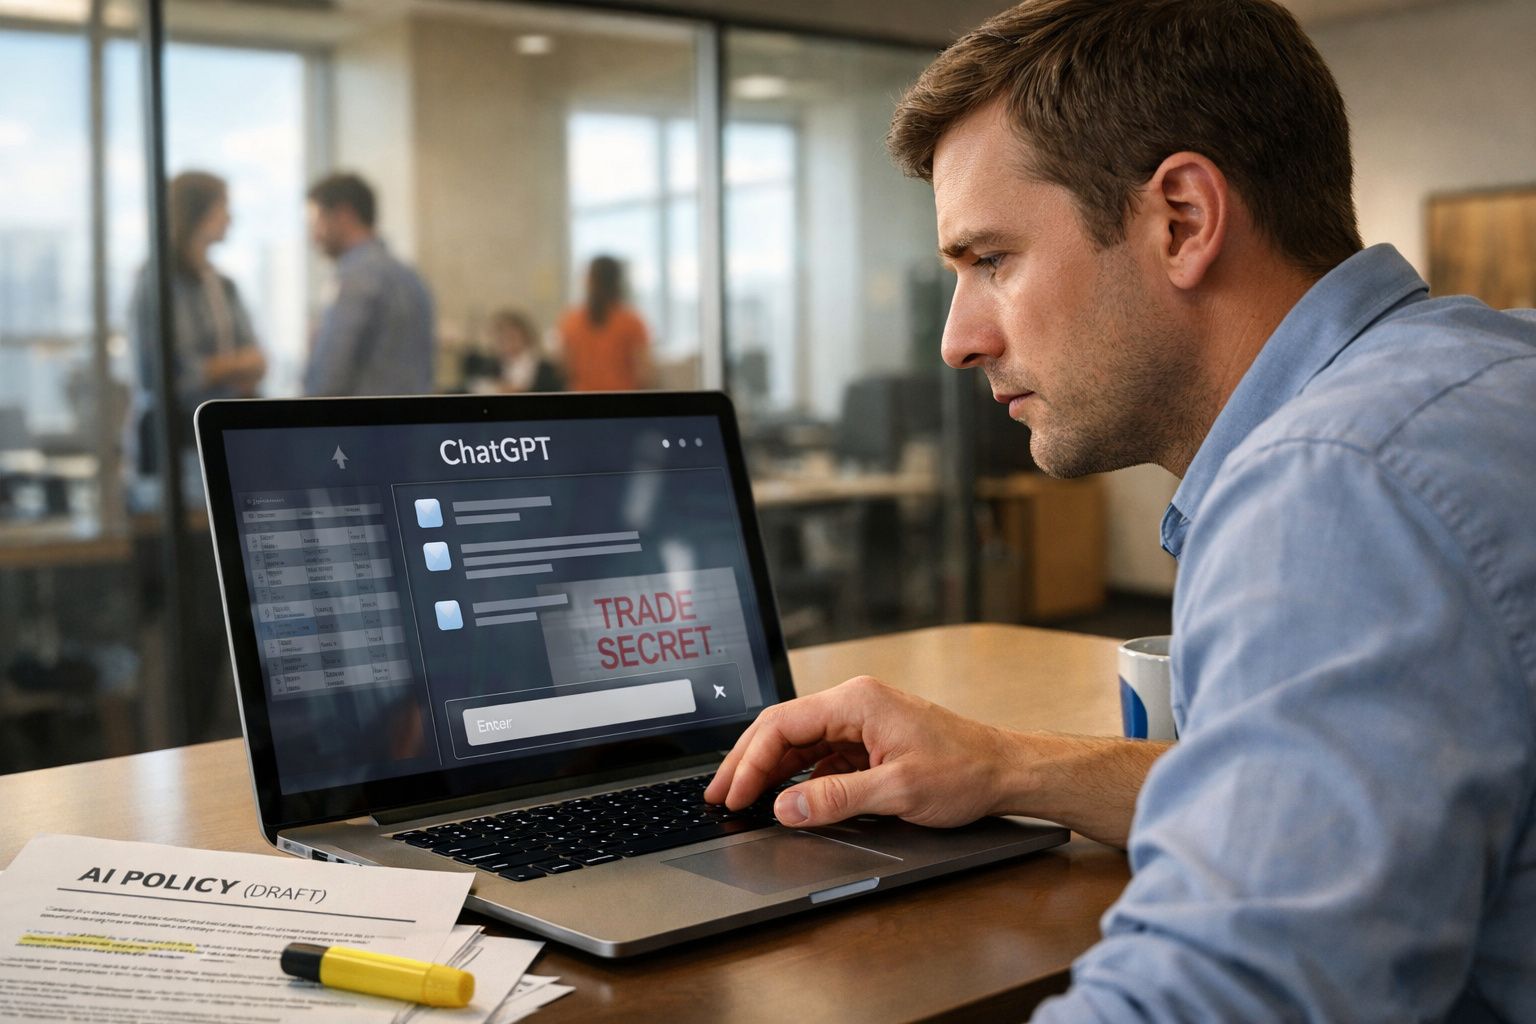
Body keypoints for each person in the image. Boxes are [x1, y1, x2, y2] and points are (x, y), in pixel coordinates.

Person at [705, 1, 1536, 1020]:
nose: (957, 339)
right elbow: (1331, 802)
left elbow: (1221, 999)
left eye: (991, 260)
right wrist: (1013, 764)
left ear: (1181, 219)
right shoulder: (1483, 373)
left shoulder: (1335, 485)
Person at [129, 170, 266, 473]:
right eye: (223, 207)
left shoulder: (224, 284)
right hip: (176, 441)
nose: (230, 219)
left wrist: (216, 369)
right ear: (198, 211)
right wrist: (231, 367)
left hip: (227, 435)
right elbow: (169, 375)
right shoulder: (157, 283)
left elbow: (257, 360)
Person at [303, 172, 435, 396]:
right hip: (412, 426)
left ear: (344, 215)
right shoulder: (410, 277)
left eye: (316, 221)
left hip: (362, 428)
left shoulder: (353, 278)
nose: (313, 236)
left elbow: (330, 375)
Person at [559, 255, 651, 391]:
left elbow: (565, 369)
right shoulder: (632, 321)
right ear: (617, 282)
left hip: (581, 399)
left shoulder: (571, 320)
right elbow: (645, 374)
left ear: (589, 281)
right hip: (623, 399)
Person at [468, 309, 563, 394]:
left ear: (526, 335)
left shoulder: (545, 369)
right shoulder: (491, 366)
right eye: (500, 336)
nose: (505, 340)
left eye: (511, 336)